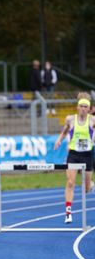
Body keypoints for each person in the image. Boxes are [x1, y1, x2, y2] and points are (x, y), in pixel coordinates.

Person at [53, 93, 94, 224]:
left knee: (86, 189)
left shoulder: (92, 120)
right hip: (73, 155)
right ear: (77, 107)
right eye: (81, 106)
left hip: (87, 155)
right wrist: (59, 140)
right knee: (70, 182)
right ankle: (68, 212)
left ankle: (90, 184)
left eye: (85, 106)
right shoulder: (70, 119)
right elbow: (65, 131)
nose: (83, 108)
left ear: (89, 109)